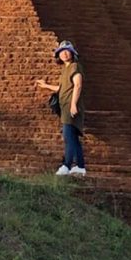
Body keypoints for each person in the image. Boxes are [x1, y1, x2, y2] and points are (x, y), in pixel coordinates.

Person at [35, 40, 86, 177]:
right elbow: (61, 89)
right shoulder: (65, 70)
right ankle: (80, 167)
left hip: (71, 107)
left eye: (66, 51)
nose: (64, 54)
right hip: (65, 107)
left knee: (68, 137)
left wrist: (74, 104)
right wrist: (46, 86)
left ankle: (67, 166)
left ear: (72, 52)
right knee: (74, 138)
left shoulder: (75, 66)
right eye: (61, 52)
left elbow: (78, 85)